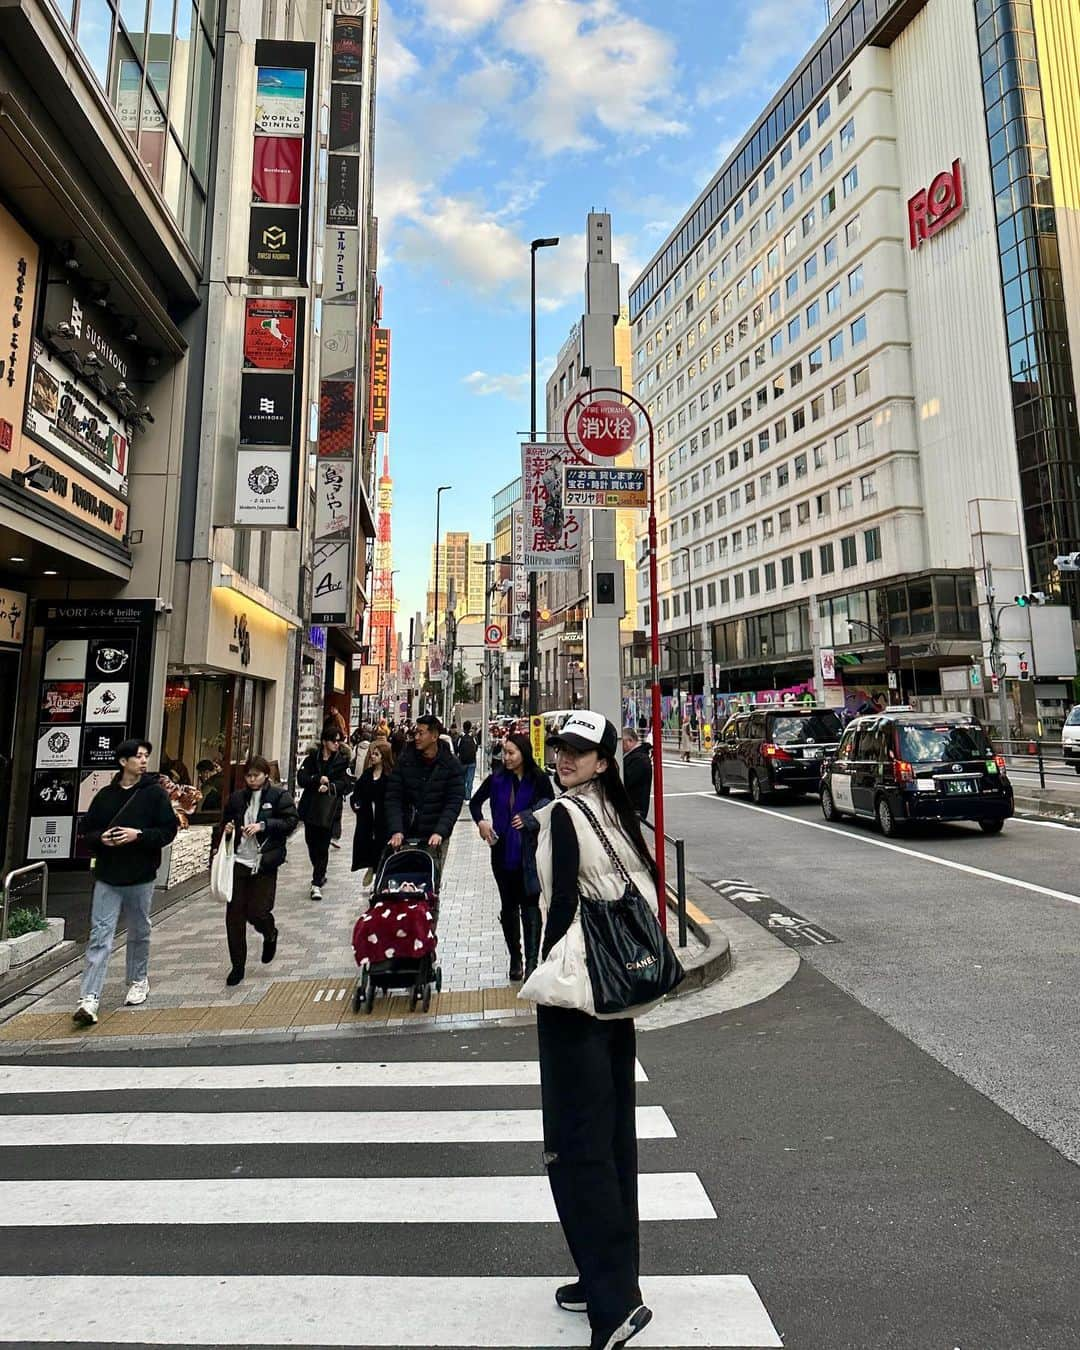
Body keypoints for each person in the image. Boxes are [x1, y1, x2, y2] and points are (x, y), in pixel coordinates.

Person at [533, 710, 660, 1350]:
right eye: (561, 749)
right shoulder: (616, 812)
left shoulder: (562, 815)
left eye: (579, 753)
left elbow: (556, 911)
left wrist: (542, 974)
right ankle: (605, 1276)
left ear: (603, 761)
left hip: (575, 998)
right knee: (614, 1140)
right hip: (619, 994)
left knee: (576, 1148)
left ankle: (613, 1304)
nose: (564, 760)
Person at [72, 738, 179, 1026]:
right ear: (123, 762)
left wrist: (138, 836)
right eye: (138, 756)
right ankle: (89, 997)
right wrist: (102, 839)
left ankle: (138, 980)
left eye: (146, 756)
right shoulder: (105, 796)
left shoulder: (154, 795)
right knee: (100, 935)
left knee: (139, 930)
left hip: (141, 875)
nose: (144, 761)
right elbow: (87, 831)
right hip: (108, 875)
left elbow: (168, 830)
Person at [470, 732, 554, 981]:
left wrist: (529, 817)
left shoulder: (538, 779)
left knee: (530, 904)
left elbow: (551, 805)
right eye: (504, 752)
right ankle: (515, 957)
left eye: (511, 753)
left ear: (523, 754)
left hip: (530, 853)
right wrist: (482, 823)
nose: (506, 757)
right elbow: (475, 803)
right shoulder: (496, 779)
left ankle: (531, 963)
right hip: (501, 850)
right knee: (508, 906)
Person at [221, 755, 298, 986]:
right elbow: (225, 824)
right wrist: (228, 830)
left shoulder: (278, 796)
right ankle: (237, 966)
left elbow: (291, 822)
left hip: (264, 862)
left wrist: (263, 825)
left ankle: (270, 933)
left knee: (257, 911)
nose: (252, 779)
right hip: (238, 862)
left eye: (256, 775)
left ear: (266, 775)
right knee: (234, 916)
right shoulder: (237, 798)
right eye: (248, 775)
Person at [385, 714, 465, 874]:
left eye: (421, 733)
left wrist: (440, 831)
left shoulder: (450, 764)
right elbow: (393, 796)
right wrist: (396, 829)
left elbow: (454, 802)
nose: (417, 737)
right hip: (406, 832)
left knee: (429, 882)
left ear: (434, 736)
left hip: (434, 835)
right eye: (416, 733)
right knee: (402, 880)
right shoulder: (405, 760)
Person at [296, 721, 353, 900]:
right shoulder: (313, 759)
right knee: (311, 843)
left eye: (339, 741)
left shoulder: (341, 761)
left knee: (323, 845)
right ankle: (318, 872)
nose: (337, 744)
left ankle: (317, 881)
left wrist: (330, 786)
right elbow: (301, 778)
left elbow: (346, 784)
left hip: (329, 809)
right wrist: (316, 780)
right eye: (334, 741)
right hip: (311, 806)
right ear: (325, 741)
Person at [351, 737, 395, 881]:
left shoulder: (390, 777)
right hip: (368, 819)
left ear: (384, 757)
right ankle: (372, 868)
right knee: (369, 846)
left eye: (376, 754)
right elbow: (357, 793)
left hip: (384, 820)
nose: (372, 757)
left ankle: (379, 877)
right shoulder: (367, 774)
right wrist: (357, 804)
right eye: (372, 754)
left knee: (383, 848)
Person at [621, 727, 651, 821]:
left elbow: (626, 780)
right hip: (631, 807)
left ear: (630, 741)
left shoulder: (640, 759)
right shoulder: (635, 756)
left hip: (634, 807)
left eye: (621, 742)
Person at [456, 718, 479, 801]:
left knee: (462, 780)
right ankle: (468, 797)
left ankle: (463, 795)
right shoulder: (473, 737)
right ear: (470, 727)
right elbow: (476, 747)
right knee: (470, 780)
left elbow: (456, 748)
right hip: (472, 762)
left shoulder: (460, 737)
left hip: (462, 762)